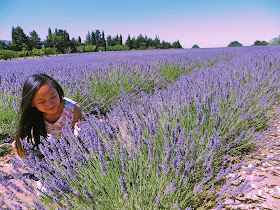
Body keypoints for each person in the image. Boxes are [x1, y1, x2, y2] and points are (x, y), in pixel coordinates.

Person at [12, 74, 83, 158]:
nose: (50, 104)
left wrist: (77, 132)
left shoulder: (73, 109)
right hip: (51, 142)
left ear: (58, 91)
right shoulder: (34, 113)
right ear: (32, 103)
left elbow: (80, 138)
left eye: (53, 97)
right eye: (42, 102)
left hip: (71, 145)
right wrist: (20, 143)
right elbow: (26, 136)